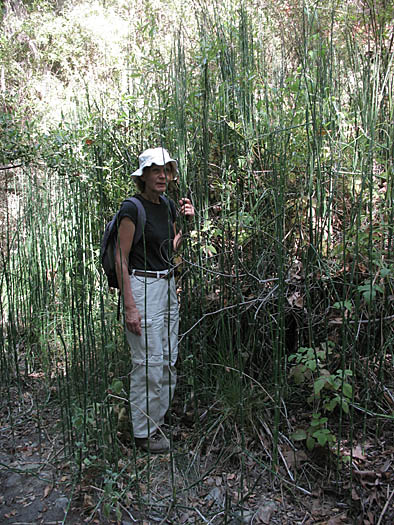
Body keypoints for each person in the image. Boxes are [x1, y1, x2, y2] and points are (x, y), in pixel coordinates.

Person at [115, 147, 194, 453]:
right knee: (147, 361)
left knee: (167, 358)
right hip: (141, 286)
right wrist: (130, 306)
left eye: (167, 170)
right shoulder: (132, 209)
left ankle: (156, 421)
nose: (163, 176)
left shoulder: (168, 206)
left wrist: (186, 222)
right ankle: (143, 433)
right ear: (144, 176)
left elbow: (169, 248)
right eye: (156, 170)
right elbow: (120, 257)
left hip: (166, 285)